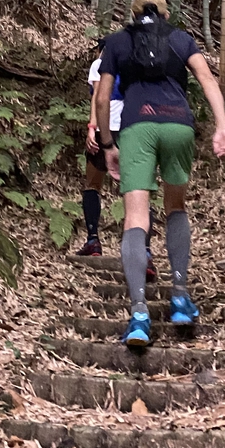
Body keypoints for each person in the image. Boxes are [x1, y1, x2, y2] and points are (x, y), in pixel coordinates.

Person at [95, 0, 225, 348]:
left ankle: (140, 314)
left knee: (135, 219)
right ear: (164, 12)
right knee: (176, 207)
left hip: (136, 127)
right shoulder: (180, 38)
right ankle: (180, 298)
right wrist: (222, 125)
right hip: (178, 125)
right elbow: (207, 79)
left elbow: (102, 96)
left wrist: (108, 143)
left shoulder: (117, 42)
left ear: (133, 11)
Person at [79, 37, 157, 276]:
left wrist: (92, 127)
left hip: (107, 126)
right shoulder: (137, 64)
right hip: (132, 128)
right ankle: (144, 251)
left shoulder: (100, 64)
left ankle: (94, 240)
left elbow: (96, 98)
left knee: (93, 184)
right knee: (137, 191)